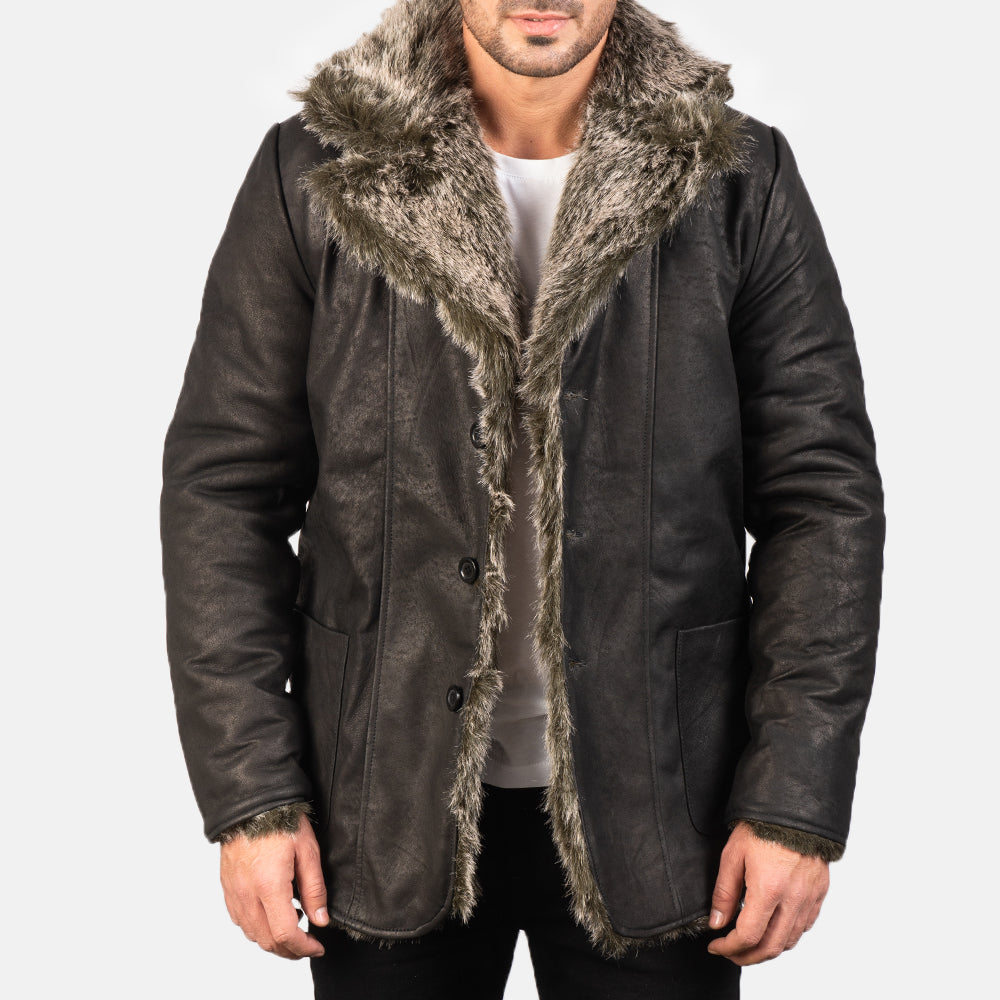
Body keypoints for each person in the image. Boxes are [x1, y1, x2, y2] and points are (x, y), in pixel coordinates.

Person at [159, 1, 886, 996]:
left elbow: (821, 499)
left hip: (665, 808)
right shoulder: (315, 172)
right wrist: (252, 795)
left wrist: (793, 798)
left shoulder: (735, 175)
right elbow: (224, 493)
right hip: (378, 804)